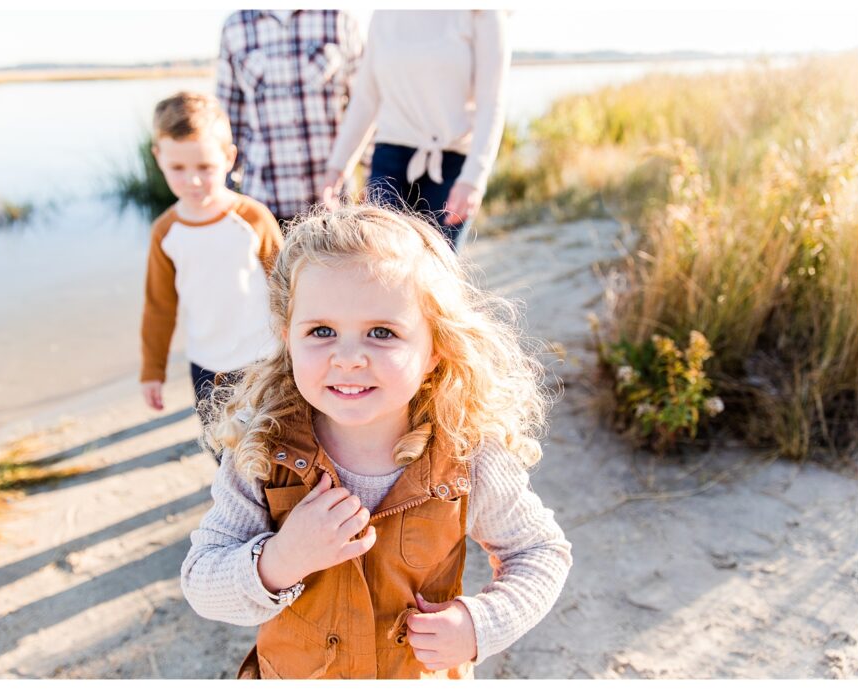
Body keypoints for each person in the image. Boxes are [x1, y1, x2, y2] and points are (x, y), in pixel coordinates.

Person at [181, 205, 572, 678]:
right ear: (288, 339)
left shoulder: (467, 453)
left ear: (435, 349)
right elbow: (202, 581)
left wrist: (479, 624)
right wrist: (281, 560)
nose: (348, 358)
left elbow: (539, 552)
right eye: (321, 331)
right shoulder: (262, 450)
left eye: (382, 332)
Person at [140, 92, 283, 461]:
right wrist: (152, 370)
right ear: (159, 159)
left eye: (204, 167)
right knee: (225, 454)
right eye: (178, 169)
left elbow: (288, 286)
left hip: (265, 358)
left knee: (276, 447)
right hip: (207, 366)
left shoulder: (252, 218)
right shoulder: (166, 232)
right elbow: (159, 307)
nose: (193, 181)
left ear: (228, 158)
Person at [319, 10, 511, 250]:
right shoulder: (384, 15)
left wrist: (474, 179)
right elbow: (365, 100)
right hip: (389, 162)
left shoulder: (483, 14)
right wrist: (337, 168)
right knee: (379, 265)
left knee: (436, 275)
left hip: (450, 168)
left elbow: (491, 103)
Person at [216, 10, 365, 228]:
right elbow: (229, 121)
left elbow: (363, 110)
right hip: (264, 203)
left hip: (332, 202)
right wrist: (223, 191)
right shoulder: (235, 27)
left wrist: (372, 180)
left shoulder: (339, 19)